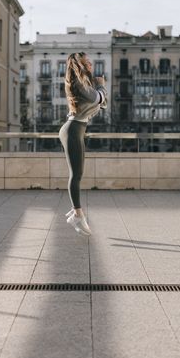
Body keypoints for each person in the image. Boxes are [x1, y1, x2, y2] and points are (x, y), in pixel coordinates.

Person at [59, 52, 107, 236]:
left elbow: (103, 102)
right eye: (86, 60)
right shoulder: (79, 84)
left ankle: (75, 211)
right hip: (72, 129)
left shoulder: (86, 84)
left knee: (78, 173)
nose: (90, 62)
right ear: (79, 63)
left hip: (77, 129)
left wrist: (99, 91)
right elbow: (98, 99)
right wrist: (101, 86)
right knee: (76, 174)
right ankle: (78, 214)